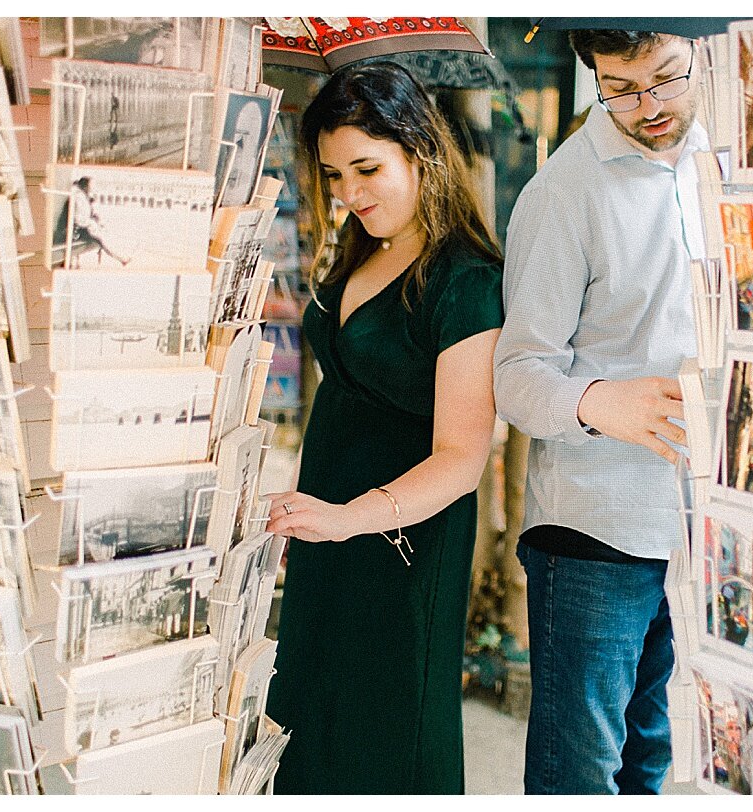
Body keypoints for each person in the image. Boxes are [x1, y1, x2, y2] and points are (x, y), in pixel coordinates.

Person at [262, 62, 503, 794]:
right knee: (310, 720)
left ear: (420, 151)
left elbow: (463, 457)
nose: (348, 193)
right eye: (334, 174)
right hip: (327, 529)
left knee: (383, 737)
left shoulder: (466, 280)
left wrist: (347, 519)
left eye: (367, 168)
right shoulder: (364, 244)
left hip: (398, 542)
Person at [493, 29, 709, 794]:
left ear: (700, 59)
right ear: (593, 75)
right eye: (620, 86)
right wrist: (596, 401)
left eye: (666, 79)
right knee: (578, 775)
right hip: (593, 530)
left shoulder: (725, 170)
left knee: (652, 760)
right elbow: (517, 376)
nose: (648, 106)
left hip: (698, 525)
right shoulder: (561, 194)